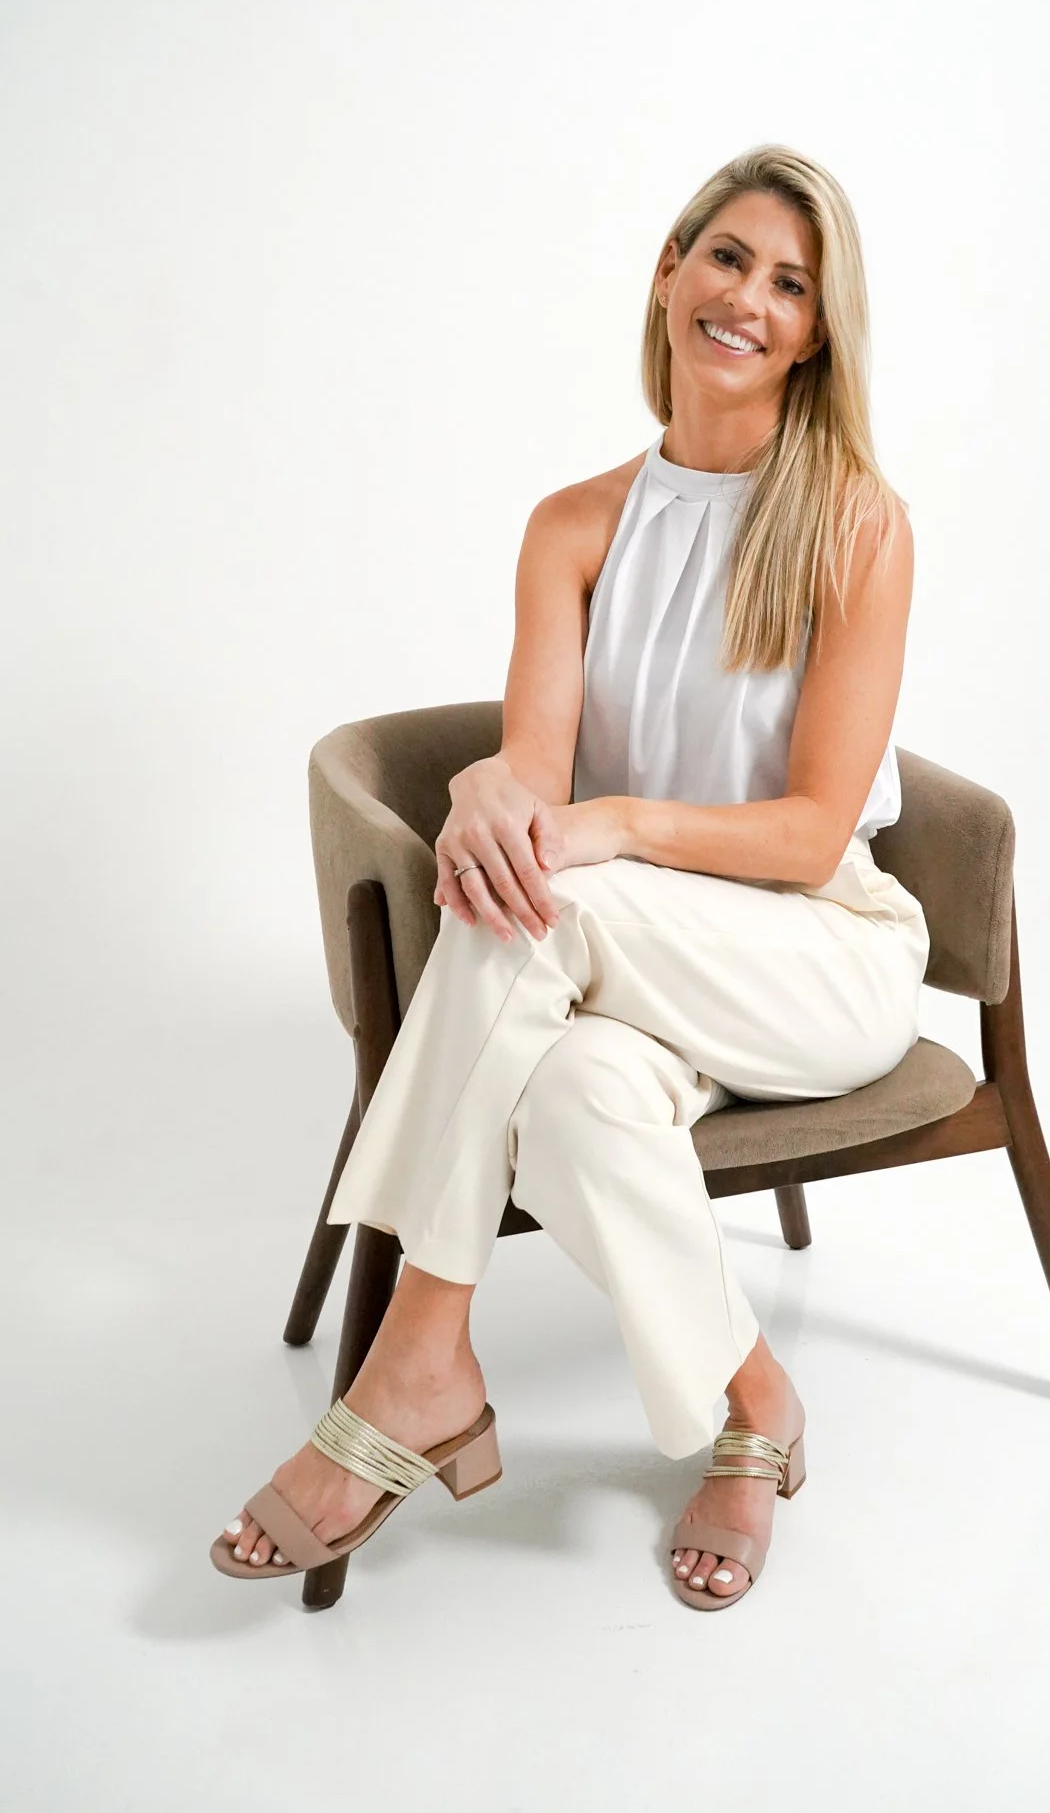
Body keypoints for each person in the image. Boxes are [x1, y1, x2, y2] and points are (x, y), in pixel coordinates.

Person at [210, 142, 932, 1611]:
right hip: (631, 968)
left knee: (553, 892)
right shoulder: (574, 524)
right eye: (727, 256)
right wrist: (494, 785)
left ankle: (417, 1356)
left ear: (817, 331)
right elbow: (537, 774)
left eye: (792, 284)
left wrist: (605, 828)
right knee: (565, 1092)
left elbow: (806, 834)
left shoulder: (856, 521)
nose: (750, 297)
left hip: (817, 960)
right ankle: (757, 1408)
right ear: (670, 270)